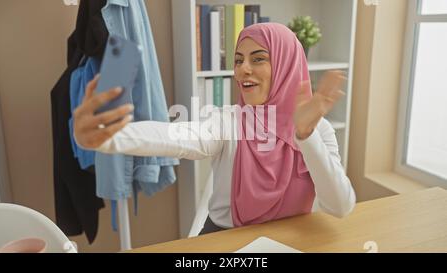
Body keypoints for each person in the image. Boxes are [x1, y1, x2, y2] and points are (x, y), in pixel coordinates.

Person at [73, 23, 356, 235]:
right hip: (224, 238)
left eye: (258, 58)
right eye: (238, 59)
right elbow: (180, 137)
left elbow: (341, 207)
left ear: (286, 66)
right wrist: (110, 137)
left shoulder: (320, 131)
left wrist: (305, 137)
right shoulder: (228, 121)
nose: (243, 69)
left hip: (292, 239)